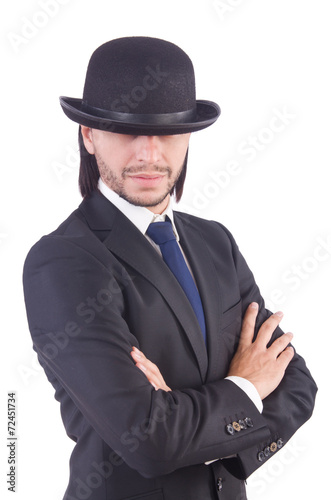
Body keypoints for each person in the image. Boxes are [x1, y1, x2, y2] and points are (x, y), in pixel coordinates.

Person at [23, 37, 317, 500]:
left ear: (188, 136)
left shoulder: (215, 241)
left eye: (166, 131)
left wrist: (202, 432)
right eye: (126, 130)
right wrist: (245, 384)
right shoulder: (63, 262)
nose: (148, 153)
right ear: (88, 135)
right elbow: (149, 440)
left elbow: (298, 384)